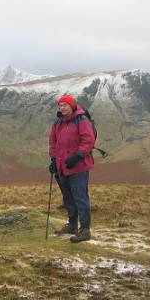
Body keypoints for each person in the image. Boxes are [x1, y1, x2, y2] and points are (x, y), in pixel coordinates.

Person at [49, 95, 95, 242]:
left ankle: (85, 230)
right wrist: (54, 160)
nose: (62, 108)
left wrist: (78, 156)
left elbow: (88, 140)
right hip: (62, 167)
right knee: (68, 198)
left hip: (79, 167)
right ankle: (72, 224)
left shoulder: (81, 120)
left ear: (72, 105)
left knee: (80, 198)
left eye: (65, 105)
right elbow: (53, 142)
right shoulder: (58, 123)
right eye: (60, 105)